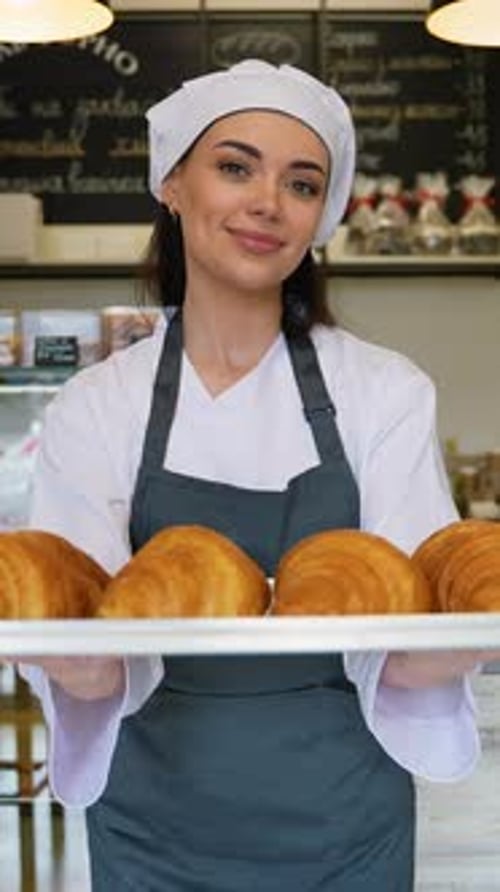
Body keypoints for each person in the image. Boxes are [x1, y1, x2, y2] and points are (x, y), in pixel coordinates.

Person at [15, 59, 500, 891]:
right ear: (172, 184)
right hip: (153, 830)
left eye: (302, 184)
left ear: (319, 217)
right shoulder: (98, 406)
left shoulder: (381, 390)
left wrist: (475, 625)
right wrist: (41, 634)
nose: (268, 202)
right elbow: (89, 654)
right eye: (235, 167)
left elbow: (415, 643)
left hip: (344, 825)